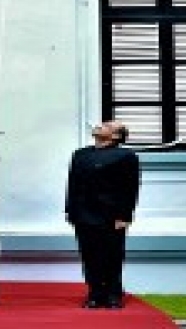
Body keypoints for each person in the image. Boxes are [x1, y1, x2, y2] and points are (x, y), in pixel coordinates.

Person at [64, 120, 141, 310]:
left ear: (116, 136)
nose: (99, 126)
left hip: (111, 214)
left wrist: (125, 216)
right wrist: (70, 210)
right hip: (83, 213)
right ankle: (95, 292)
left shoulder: (126, 156)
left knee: (112, 254)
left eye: (107, 126)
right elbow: (72, 184)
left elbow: (130, 188)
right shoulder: (80, 154)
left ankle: (113, 293)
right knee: (89, 254)